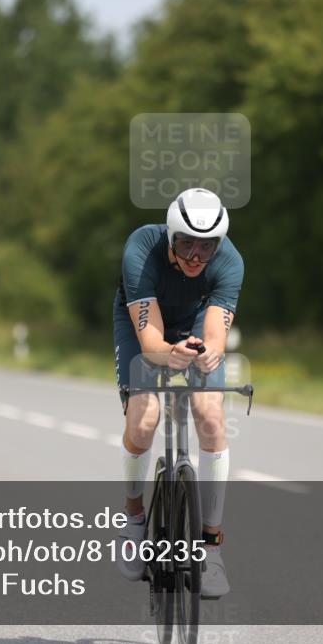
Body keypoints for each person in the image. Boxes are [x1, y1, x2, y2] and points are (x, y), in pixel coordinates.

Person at [112, 188, 243, 598]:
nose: (195, 256)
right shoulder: (142, 248)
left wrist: (208, 356)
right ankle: (134, 522)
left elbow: (217, 335)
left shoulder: (230, 262)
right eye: (186, 242)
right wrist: (170, 353)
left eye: (206, 247)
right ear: (170, 236)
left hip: (196, 318)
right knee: (145, 418)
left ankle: (211, 547)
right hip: (145, 323)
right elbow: (151, 342)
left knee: (210, 414)